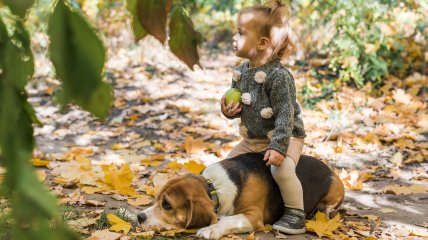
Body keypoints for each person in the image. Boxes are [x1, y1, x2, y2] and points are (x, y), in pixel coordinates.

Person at [220, 0, 307, 234]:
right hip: (253, 139)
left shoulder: (279, 77)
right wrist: (229, 111)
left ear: (261, 43)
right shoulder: (243, 72)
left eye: (240, 33)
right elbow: (240, 104)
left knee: (282, 171)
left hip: (286, 137)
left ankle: (295, 213)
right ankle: (231, 205)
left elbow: (285, 116)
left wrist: (279, 148)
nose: (234, 38)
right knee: (227, 167)